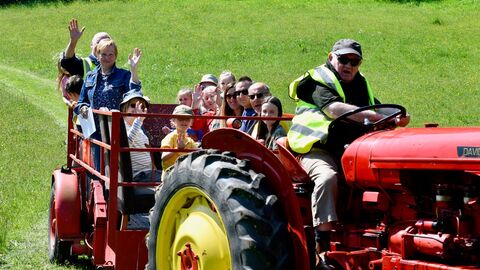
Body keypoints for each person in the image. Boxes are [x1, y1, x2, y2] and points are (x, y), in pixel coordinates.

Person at [287, 39, 410, 266]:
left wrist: (398, 115)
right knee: (327, 177)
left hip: (351, 152)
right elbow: (334, 109)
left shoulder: (360, 85)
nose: (349, 65)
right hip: (316, 149)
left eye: (355, 61)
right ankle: (322, 247)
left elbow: (378, 108)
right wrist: (377, 116)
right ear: (331, 56)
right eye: (344, 59)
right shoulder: (315, 81)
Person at [75, 39, 142, 170]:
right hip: (96, 132)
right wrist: (82, 108)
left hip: (117, 130)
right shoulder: (89, 77)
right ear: (97, 55)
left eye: (110, 54)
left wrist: (134, 70)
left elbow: (135, 93)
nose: (107, 58)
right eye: (103, 54)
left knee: (118, 170)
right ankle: (103, 190)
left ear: (115, 56)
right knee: (101, 169)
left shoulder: (123, 75)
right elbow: (81, 102)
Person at [120, 91, 161, 182]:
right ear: (124, 108)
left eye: (141, 107)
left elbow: (146, 150)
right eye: (133, 105)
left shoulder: (138, 127)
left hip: (149, 173)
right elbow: (127, 143)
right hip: (138, 175)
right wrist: (138, 121)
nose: (137, 109)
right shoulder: (122, 126)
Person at [161, 105, 197, 174]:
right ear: (173, 121)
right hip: (171, 175)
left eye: (187, 119)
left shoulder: (189, 140)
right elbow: (164, 157)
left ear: (191, 122)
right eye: (180, 118)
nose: (184, 121)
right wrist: (178, 148)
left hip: (184, 174)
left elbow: (196, 152)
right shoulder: (170, 137)